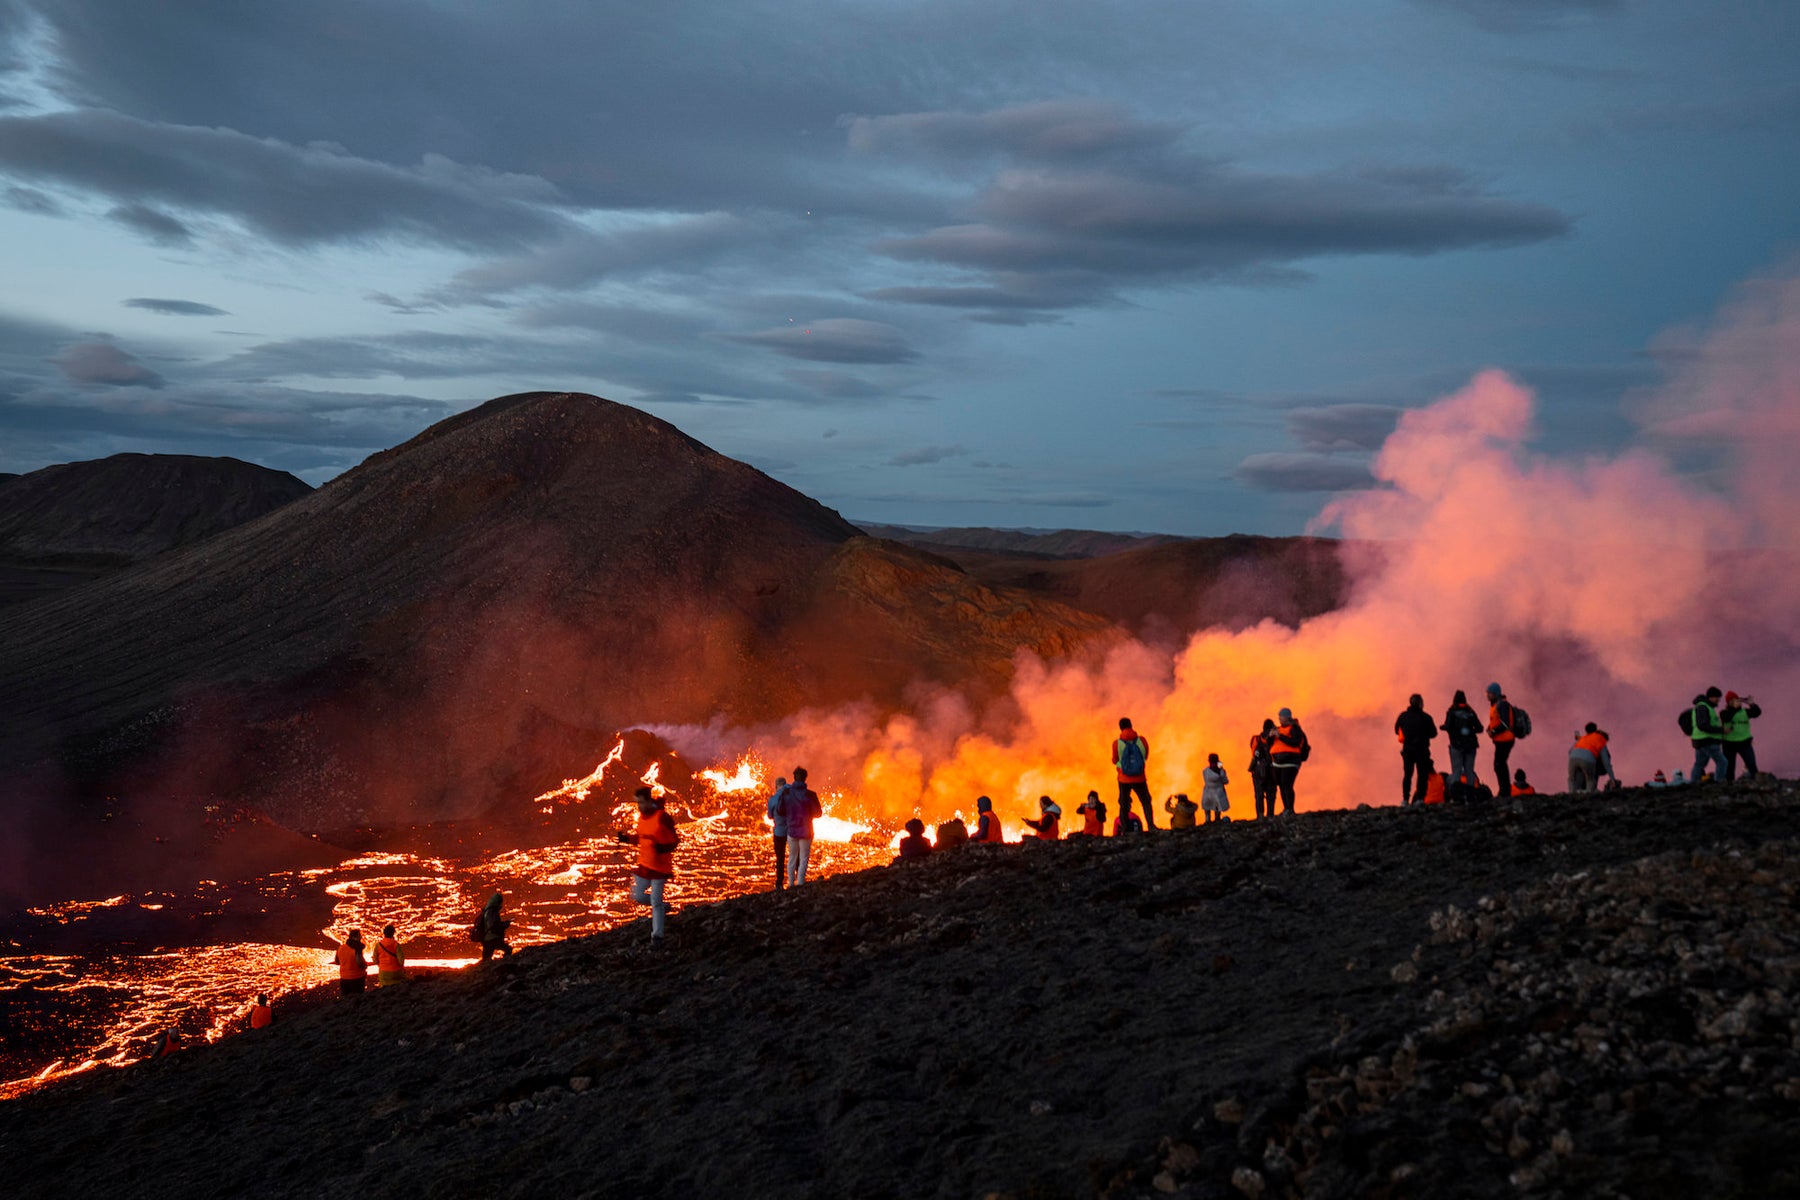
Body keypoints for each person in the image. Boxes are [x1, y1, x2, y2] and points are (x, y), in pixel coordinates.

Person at [617, 786, 679, 946]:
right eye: (637, 803)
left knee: (655, 902)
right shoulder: (642, 818)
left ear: (649, 800)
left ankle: (657, 937)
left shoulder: (662, 817)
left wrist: (662, 848)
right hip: (644, 865)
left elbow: (674, 841)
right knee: (637, 895)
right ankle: (663, 908)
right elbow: (641, 838)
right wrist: (626, 839)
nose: (639, 806)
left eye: (641, 802)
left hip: (659, 868)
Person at [779, 767, 823, 886]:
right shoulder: (811, 795)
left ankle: (790, 883)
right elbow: (818, 813)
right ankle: (801, 882)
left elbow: (780, 810)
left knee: (792, 857)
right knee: (803, 858)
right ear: (805, 778)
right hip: (806, 831)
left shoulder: (786, 794)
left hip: (792, 830)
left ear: (794, 777)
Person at [1112, 718, 1157, 829]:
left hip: (1124, 778)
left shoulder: (1117, 743)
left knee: (1124, 803)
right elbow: (1145, 756)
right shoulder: (1141, 740)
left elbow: (1114, 760)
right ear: (1131, 725)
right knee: (1146, 801)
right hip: (1139, 777)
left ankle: (1125, 829)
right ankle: (1151, 825)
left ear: (1120, 728)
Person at [1394, 694, 1439, 805]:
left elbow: (1396, 730)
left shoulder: (1403, 716)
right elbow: (1433, 733)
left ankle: (1405, 799)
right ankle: (1420, 799)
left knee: (1408, 775)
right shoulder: (1426, 717)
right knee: (1422, 775)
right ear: (1420, 704)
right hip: (1422, 750)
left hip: (1408, 750)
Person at [1269, 708, 1310, 814]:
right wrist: (1270, 736)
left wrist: (1280, 736)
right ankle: (1286, 808)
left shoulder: (1295, 729)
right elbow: (1269, 744)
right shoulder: (1278, 729)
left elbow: (1295, 742)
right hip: (1277, 762)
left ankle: (1290, 809)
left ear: (1287, 717)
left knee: (1287, 785)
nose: (1279, 719)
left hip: (1290, 761)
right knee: (1282, 785)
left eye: (1281, 717)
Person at [1442, 691, 1484, 789]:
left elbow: (1447, 726)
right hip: (1471, 745)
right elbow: (1480, 728)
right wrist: (1470, 730)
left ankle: (1457, 794)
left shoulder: (1452, 712)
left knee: (1456, 772)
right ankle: (1471, 795)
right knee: (1469, 771)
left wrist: (1445, 728)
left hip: (1456, 745)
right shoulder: (1470, 712)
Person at [1485, 683, 1519, 798]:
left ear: (1494, 693)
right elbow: (1497, 721)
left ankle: (1504, 791)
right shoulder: (1496, 705)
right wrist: (1490, 728)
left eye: (1489, 693)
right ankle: (1504, 790)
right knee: (1500, 764)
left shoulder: (1502, 705)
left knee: (1499, 765)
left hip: (1505, 740)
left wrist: (1493, 732)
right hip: (1501, 740)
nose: (1487, 695)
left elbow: (1505, 723)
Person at [1687, 688, 1727, 783]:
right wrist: (1721, 730)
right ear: (1711, 697)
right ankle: (1719, 782)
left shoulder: (1703, 707)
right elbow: (1703, 725)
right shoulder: (1703, 707)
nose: (1718, 700)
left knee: (1699, 764)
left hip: (1700, 741)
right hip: (1707, 741)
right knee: (1722, 762)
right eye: (1717, 698)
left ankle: (1694, 783)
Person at [1720, 691, 1762, 781]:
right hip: (1729, 744)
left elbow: (1757, 713)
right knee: (1730, 768)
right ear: (1729, 703)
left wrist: (1752, 704)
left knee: (1751, 765)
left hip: (1744, 743)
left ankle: (1756, 782)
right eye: (1732, 700)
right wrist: (1734, 708)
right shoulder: (1724, 712)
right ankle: (1730, 786)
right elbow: (1727, 717)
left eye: (1736, 699)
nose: (1736, 702)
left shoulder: (1745, 712)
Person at [1568, 723, 1614, 794]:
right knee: (1590, 780)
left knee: (1572, 780)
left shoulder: (1584, 738)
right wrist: (1612, 778)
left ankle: (1572, 793)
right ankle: (1589, 792)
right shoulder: (1600, 740)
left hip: (1573, 759)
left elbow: (1570, 751)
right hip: (1588, 761)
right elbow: (1606, 762)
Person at [1249, 719, 1278, 820]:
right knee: (1271, 794)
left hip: (1257, 770)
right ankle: (1270, 815)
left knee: (1259, 794)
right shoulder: (1274, 739)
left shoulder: (1255, 739)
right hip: (1272, 770)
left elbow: (1253, 752)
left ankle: (1260, 816)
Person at [766, 775, 790, 890]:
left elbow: (770, 816)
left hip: (779, 832)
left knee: (780, 858)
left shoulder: (773, 799)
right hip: (792, 831)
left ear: (776, 786)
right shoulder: (792, 796)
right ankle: (796, 881)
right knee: (794, 855)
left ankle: (779, 883)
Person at [475, 892, 513, 961]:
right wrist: (504, 925)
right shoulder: (492, 912)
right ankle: (503, 963)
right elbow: (493, 926)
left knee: (486, 958)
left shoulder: (486, 911)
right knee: (508, 950)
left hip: (486, 939)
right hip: (492, 938)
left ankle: (484, 969)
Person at [335, 929, 368, 995]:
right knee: (358, 999)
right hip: (357, 978)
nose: (361, 937)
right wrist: (365, 966)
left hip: (344, 978)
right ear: (354, 937)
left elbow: (337, 961)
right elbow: (359, 963)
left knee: (346, 1000)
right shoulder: (357, 948)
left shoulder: (341, 948)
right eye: (359, 936)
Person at [1200, 753, 1230, 824]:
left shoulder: (1205, 771)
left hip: (1208, 791)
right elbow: (1225, 781)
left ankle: (1207, 820)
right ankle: (1217, 820)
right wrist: (1221, 769)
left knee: (1207, 807)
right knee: (1217, 807)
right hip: (1218, 791)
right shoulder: (1220, 772)